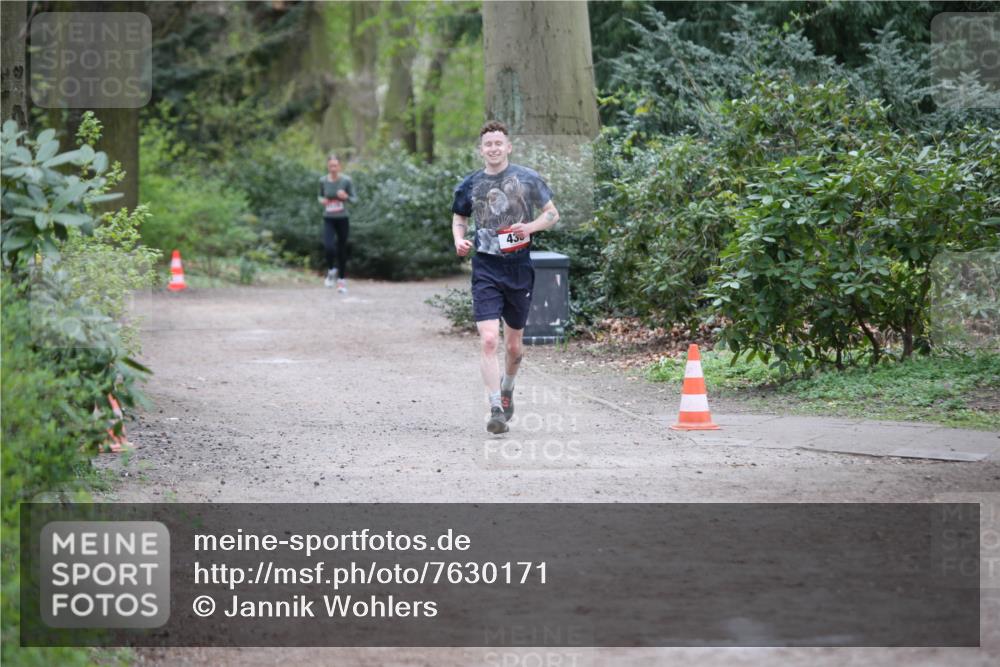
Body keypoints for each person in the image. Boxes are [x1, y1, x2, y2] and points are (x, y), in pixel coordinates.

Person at [451, 120, 559, 434]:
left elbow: (552, 214)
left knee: (513, 348)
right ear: (481, 149)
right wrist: (459, 240)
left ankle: (508, 387)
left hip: (518, 268)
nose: (494, 148)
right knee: (488, 340)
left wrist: (530, 228)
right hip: (485, 267)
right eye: (488, 144)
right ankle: (495, 407)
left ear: (508, 147)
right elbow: (459, 217)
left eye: (499, 143)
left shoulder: (527, 178)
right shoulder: (469, 184)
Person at [317, 154, 357, 293]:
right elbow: (320, 195)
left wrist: (345, 197)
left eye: (335, 165)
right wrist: (322, 201)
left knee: (342, 248)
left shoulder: (346, 181)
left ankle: (341, 280)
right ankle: (331, 271)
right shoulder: (323, 180)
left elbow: (354, 199)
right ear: (328, 167)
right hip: (328, 217)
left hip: (342, 218)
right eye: (330, 166)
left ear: (339, 166)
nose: (333, 168)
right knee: (329, 247)